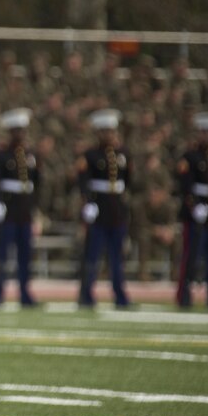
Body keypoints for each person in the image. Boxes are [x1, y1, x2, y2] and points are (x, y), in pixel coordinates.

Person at [76, 110, 131, 308]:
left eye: (111, 130)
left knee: (117, 257)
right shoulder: (90, 155)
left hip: (116, 210)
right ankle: (86, 294)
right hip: (98, 209)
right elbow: (83, 182)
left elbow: (127, 183)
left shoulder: (122, 154)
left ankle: (120, 295)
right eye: (105, 131)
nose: (109, 135)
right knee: (92, 255)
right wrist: (88, 203)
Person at [0, 108, 40, 307]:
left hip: (24, 210)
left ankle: (25, 293)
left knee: (25, 255)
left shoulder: (30, 156)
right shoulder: (0, 155)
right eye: (16, 131)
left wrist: (36, 210)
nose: (20, 135)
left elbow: (37, 184)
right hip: (8, 209)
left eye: (22, 130)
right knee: (2, 253)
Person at [175, 112, 208, 308]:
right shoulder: (190, 157)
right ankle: (184, 296)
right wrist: (194, 205)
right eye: (206, 132)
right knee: (191, 256)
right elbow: (185, 185)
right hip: (195, 212)